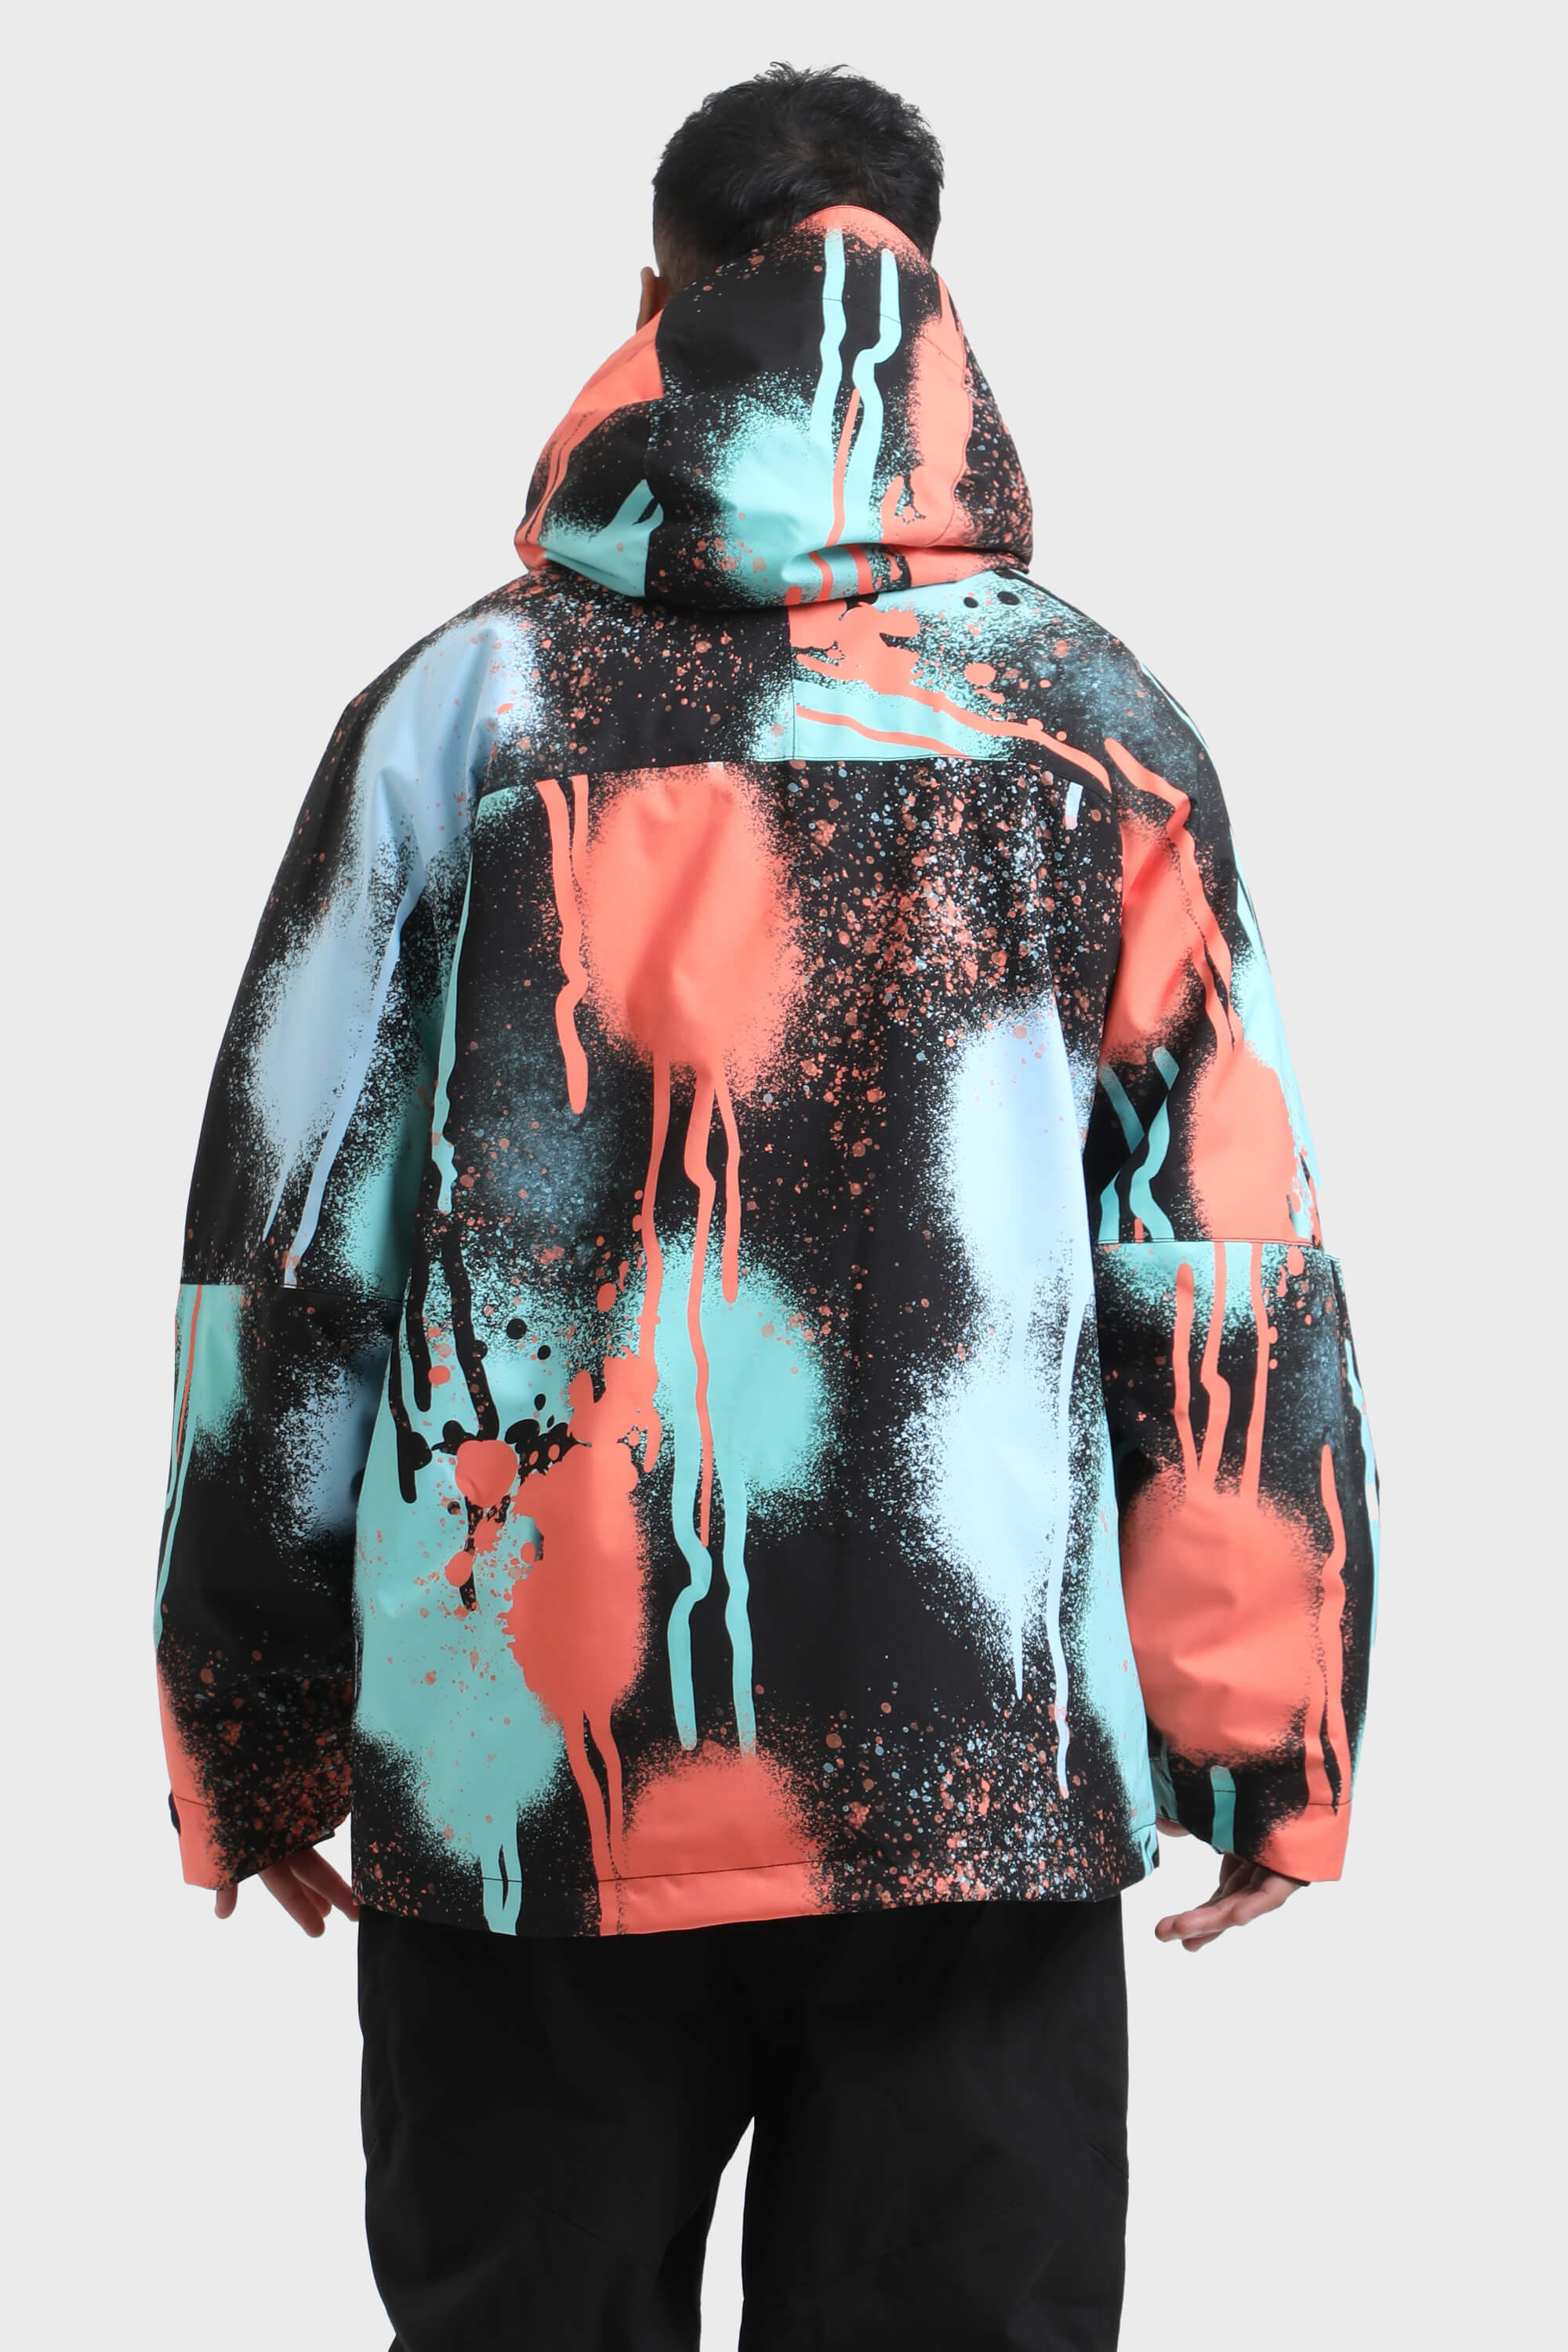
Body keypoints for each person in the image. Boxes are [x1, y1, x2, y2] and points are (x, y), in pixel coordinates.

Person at [154, 61, 1378, 2350]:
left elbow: (290, 1251)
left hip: (528, 1775)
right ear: (924, 312)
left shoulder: (462, 713)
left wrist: (254, 1717)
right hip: (972, 1770)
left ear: (652, 300)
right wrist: (1262, 1735)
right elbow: (1219, 1260)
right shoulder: (1087, 725)